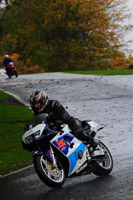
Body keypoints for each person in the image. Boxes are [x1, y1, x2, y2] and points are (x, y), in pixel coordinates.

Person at [29, 90, 98, 149]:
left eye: (37, 104)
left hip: (65, 122)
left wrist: (58, 120)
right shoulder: (37, 114)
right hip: (54, 129)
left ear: (43, 101)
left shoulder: (53, 104)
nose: (35, 106)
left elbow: (64, 115)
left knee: (75, 128)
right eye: (34, 104)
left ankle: (92, 142)